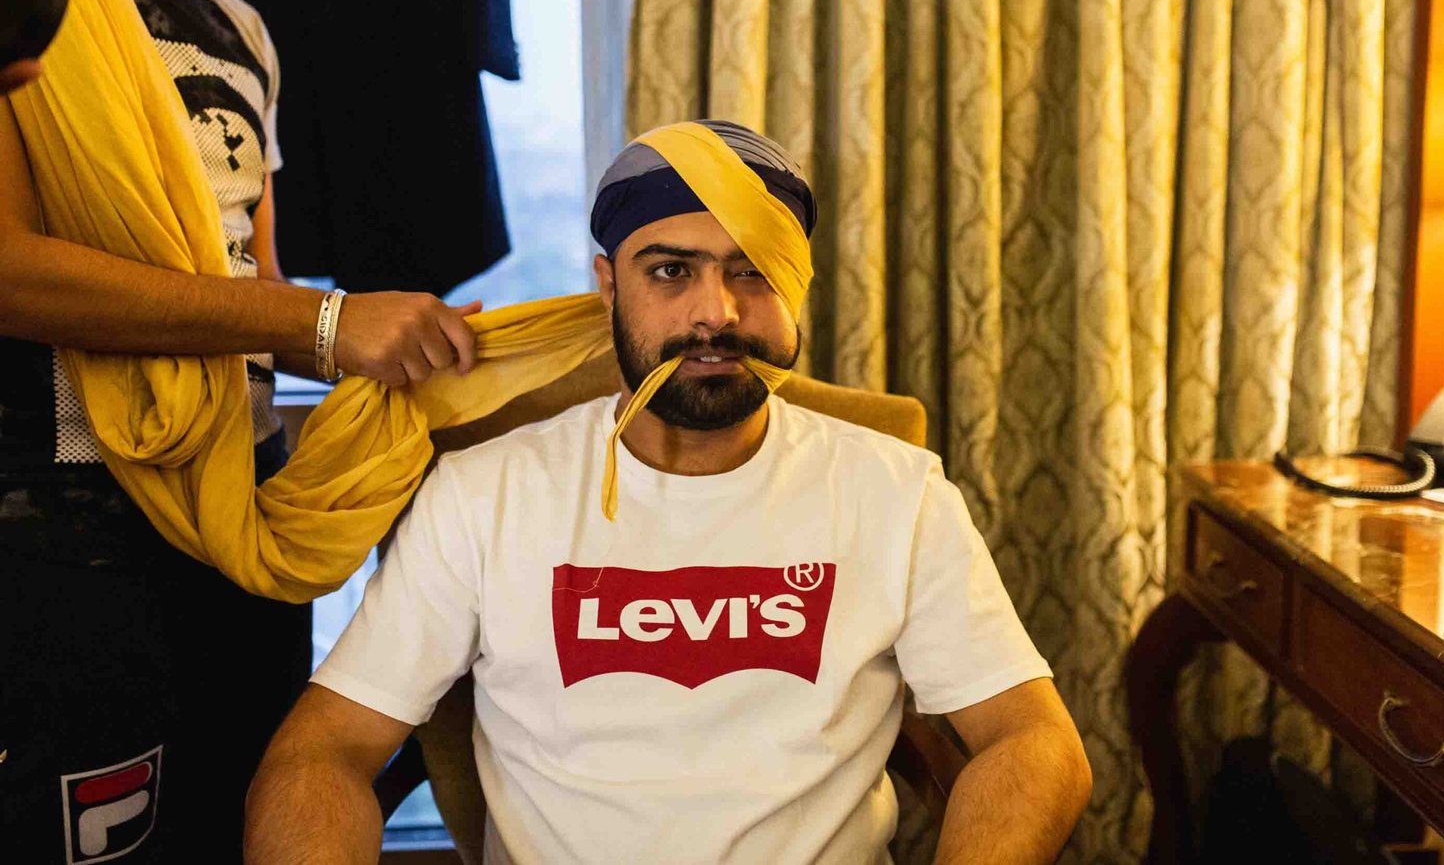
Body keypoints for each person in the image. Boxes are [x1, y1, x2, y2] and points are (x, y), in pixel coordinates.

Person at [245, 121, 1093, 865]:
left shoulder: (897, 492)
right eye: (671, 271)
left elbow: (1032, 737)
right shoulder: (484, 494)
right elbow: (325, 752)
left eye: (753, 272)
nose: (714, 311)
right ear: (609, 284)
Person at [0, 0, 481, 860]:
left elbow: (250, 286)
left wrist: (411, 350)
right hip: (61, 520)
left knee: (240, 823)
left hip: (231, 515)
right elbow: (9, 269)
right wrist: (325, 321)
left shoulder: (241, 27)